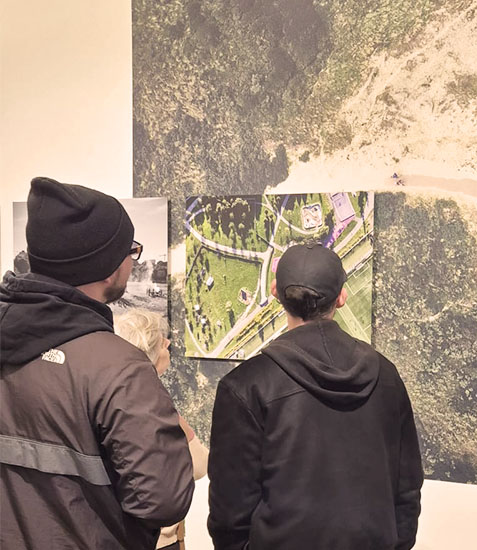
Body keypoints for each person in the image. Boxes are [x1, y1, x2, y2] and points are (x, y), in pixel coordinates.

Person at [0, 177, 194, 549]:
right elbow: (164, 499)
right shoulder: (120, 367)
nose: (132, 260)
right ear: (109, 267)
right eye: (130, 251)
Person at [208, 242, 423, 550]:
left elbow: (230, 513)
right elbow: (407, 489)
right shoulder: (386, 375)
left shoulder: (245, 386)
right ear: (341, 298)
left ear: (274, 292)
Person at [115, 309, 209, 550]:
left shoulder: (112, 398)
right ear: (148, 350)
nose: (167, 342)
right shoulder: (155, 403)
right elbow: (199, 465)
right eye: (160, 339)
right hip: (159, 540)